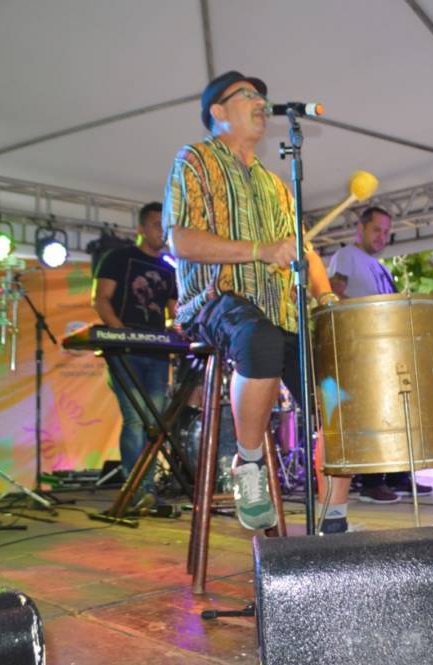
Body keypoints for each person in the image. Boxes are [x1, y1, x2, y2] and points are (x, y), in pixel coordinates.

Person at [162, 70, 340, 532]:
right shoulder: (195, 161)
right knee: (259, 339)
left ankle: (336, 520)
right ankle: (249, 461)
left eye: (263, 95)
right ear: (217, 111)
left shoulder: (277, 185)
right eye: (247, 95)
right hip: (216, 298)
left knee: (339, 392)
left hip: (282, 311)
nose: (261, 101)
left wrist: (326, 300)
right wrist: (261, 250)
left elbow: (305, 251)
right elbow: (181, 240)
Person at [326, 207, 433, 503]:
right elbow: (333, 294)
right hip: (361, 348)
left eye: (387, 232)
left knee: (395, 410)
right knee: (372, 411)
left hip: (386, 350)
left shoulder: (380, 266)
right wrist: (370, 315)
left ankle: (398, 476)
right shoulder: (347, 256)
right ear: (360, 229)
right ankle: (371, 481)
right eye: (377, 230)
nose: (382, 237)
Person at [92, 201, 177, 506]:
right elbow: (101, 299)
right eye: (156, 225)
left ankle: (147, 490)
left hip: (156, 353)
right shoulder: (118, 258)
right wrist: (120, 332)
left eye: (165, 226)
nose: (161, 231)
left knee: (153, 422)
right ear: (141, 228)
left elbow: (174, 312)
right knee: (135, 418)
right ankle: (135, 490)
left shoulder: (169, 269)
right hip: (125, 351)